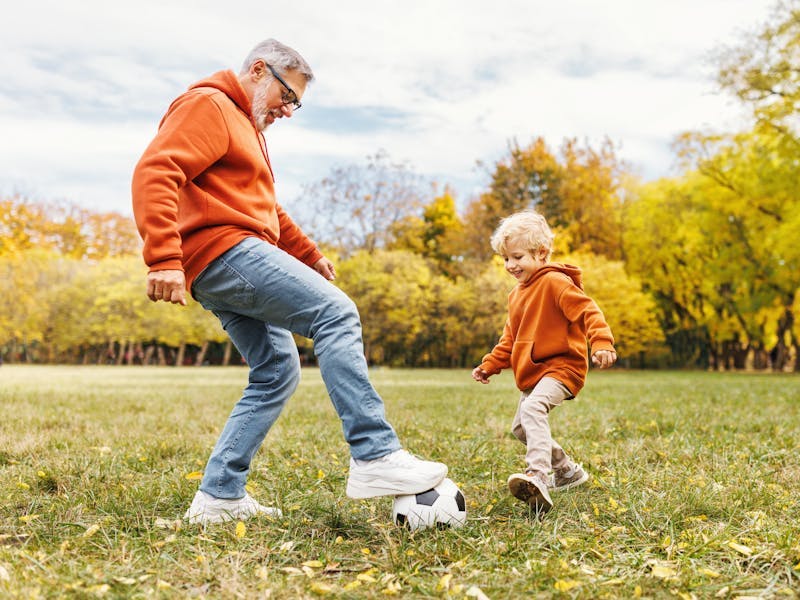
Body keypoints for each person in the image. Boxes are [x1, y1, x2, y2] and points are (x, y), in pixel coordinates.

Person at [131, 38, 447, 525]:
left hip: (227, 254)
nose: (289, 110)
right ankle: (375, 455)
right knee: (336, 312)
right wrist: (162, 258)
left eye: (297, 103)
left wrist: (308, 254)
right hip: (223, 250)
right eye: (288, 97)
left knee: (277, 369)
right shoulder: (210, 105)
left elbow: (265, 208)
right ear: (259, 71)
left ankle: (219, 497)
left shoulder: (245, 127)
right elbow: (157, 171)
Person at [471, 210, 616, 515]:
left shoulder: (555, 282)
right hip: (533, 373)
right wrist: (490, 365)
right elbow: (509, 339)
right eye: (505, 259)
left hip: (562, 367)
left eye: (517, 257)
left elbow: (588, 311)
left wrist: (601, 342)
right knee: (522, 427)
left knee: (533, 409)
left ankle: (538, 475)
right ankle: (567, 471)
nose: (511, 265)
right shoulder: (516, 295)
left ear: (541, 253)